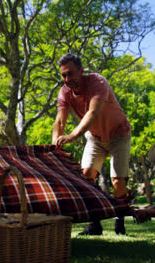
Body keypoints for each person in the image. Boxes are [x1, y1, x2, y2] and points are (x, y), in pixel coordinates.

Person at [52, 53, 131, 235]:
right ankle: (95, 225)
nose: (67, 79)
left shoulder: (97, 82)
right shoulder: (64, 92)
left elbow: (93, 113)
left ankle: (120, 223)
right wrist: (54, 145)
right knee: (86, 177)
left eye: (70, 74)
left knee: (117, 180)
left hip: (119, 134)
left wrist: (72, 136)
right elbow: (59, 122)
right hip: (95, 138)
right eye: (63, 75)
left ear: (81, 71)